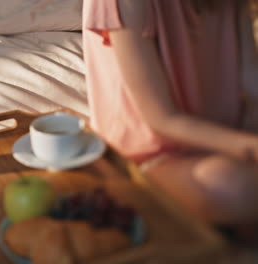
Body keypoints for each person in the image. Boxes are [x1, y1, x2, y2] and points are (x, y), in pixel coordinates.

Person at [83, 0, 258, 228]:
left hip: (226, 136)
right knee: (238, 187)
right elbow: (162, 119)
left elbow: (252, 86)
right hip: (152, 158)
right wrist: (251, 147)